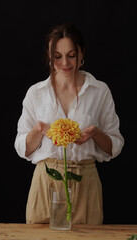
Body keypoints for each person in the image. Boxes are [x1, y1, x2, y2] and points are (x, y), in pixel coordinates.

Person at [14, 23, 124, 225]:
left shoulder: (100, 91)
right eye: (57, 56)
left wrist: (95, 133)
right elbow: (22, 148)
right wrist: (38, 130)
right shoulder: (36, 93)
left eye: (71, 55)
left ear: (82, 54)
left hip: (86, 182)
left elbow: (115, 146)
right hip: (46, 182)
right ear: (49, 56)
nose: (65, 62)